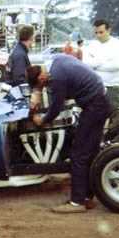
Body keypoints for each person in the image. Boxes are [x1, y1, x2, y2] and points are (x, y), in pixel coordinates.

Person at [27, 54, 110, 213]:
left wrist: (42, 120)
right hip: (100, 100)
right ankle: (86, 197)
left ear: (42, 76)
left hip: (95, 106)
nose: (44, 87)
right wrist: (37, 91)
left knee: (78, 154)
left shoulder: (56, 79)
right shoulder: (56, 60)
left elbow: (56, 108)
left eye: (43, 84)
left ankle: (77, 202)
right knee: (90, 152)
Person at [83, 19, 119, 114]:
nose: (98, 35)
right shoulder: (91, 45)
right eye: (96, 33)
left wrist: (95, 64)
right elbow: (86, 64)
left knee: (115, 119)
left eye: (101, 32)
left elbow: (117, 65)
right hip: (95, 87)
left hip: (113, 87)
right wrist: (105, 60)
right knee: (94, 119)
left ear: (109, 30)